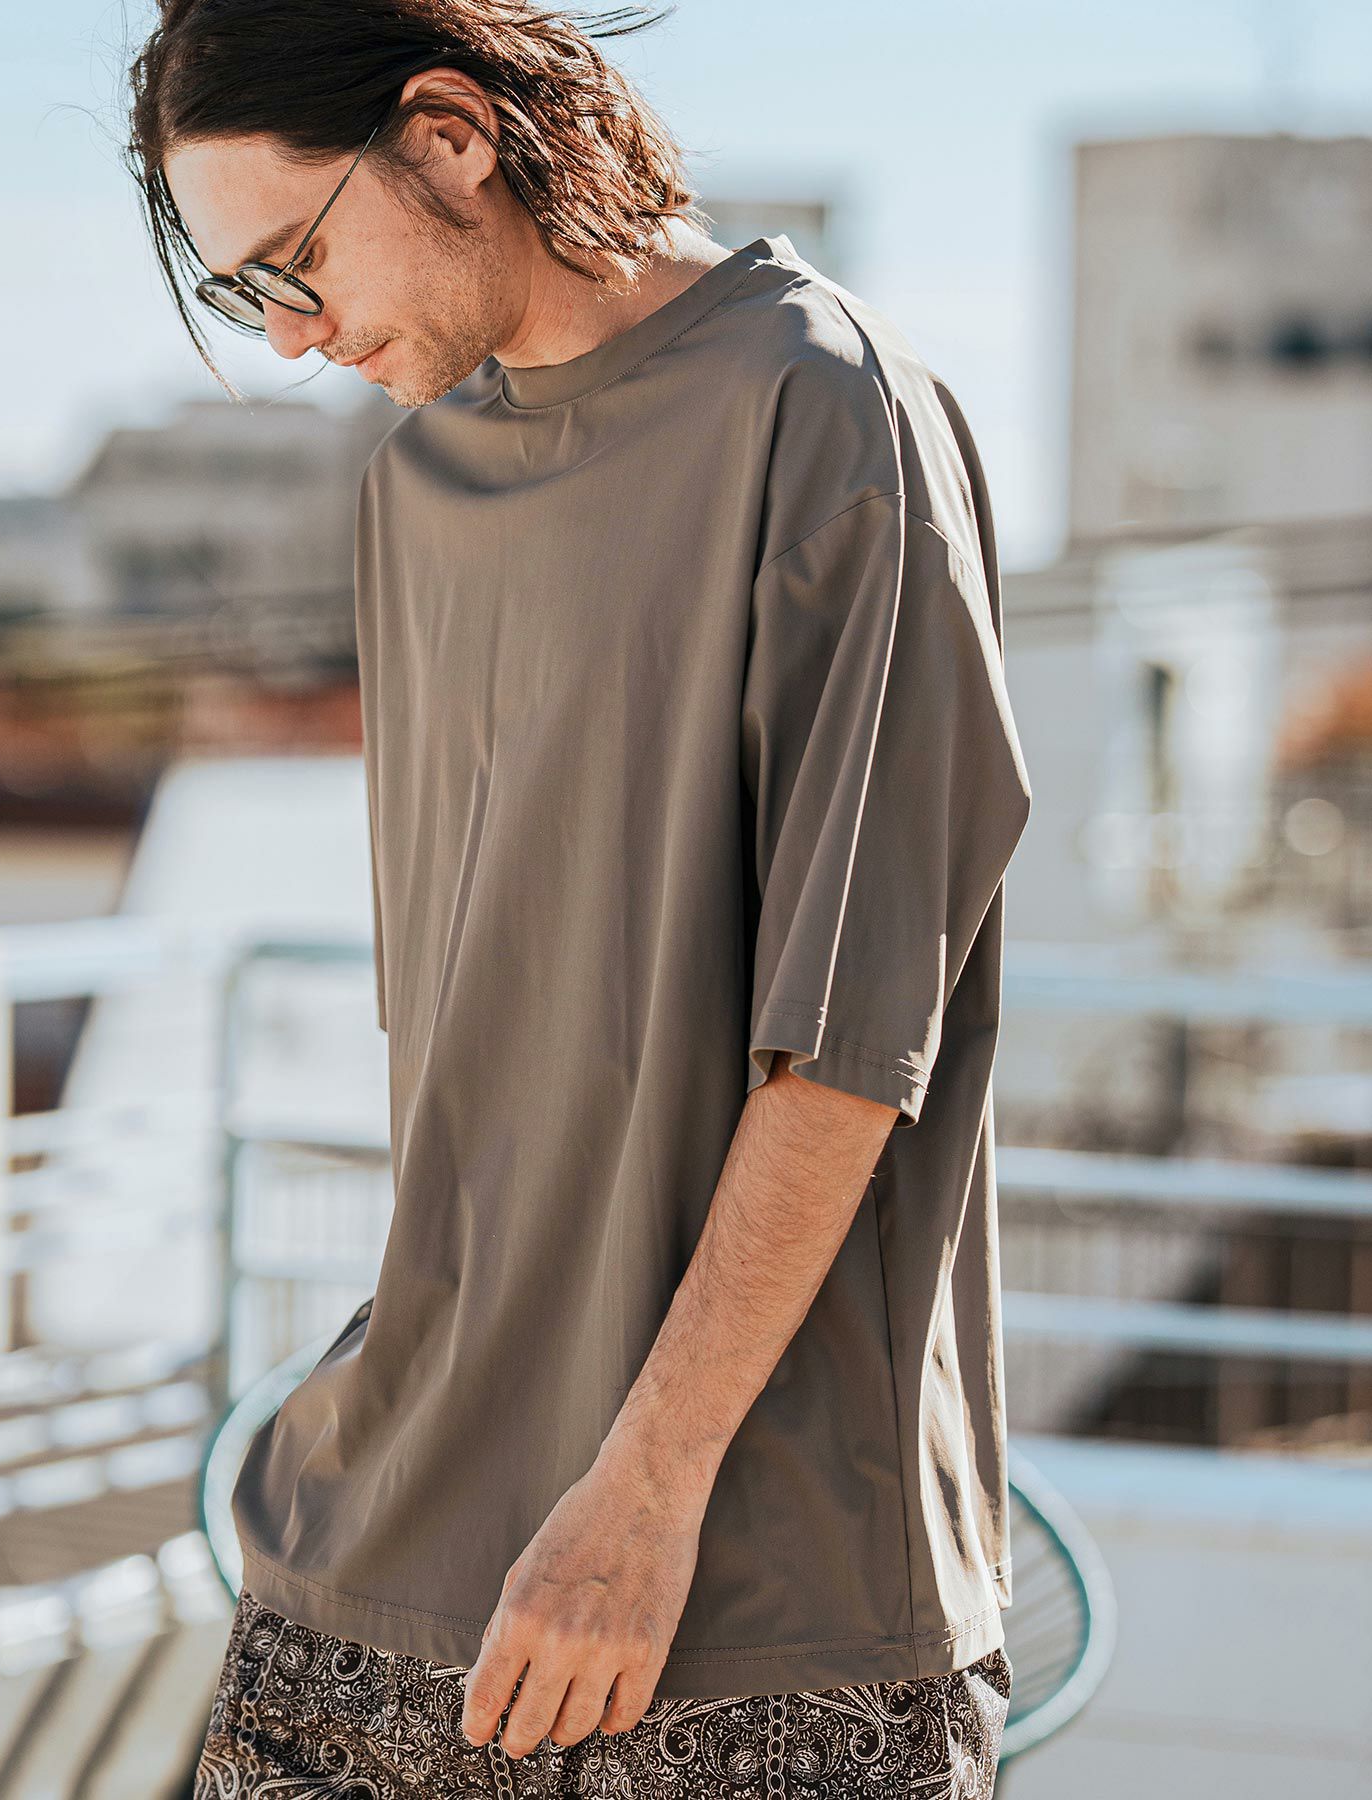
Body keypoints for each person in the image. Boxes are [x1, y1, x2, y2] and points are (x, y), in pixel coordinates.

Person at [125, 3, 1032, 1794]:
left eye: (298, 258)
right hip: (385, 1537)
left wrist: (644, 1491)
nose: (293, 335)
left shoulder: (826, 403)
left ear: (450, 135)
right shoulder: (415, 486)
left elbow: (851, 1044)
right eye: (247, 296)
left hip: (741, 1586)